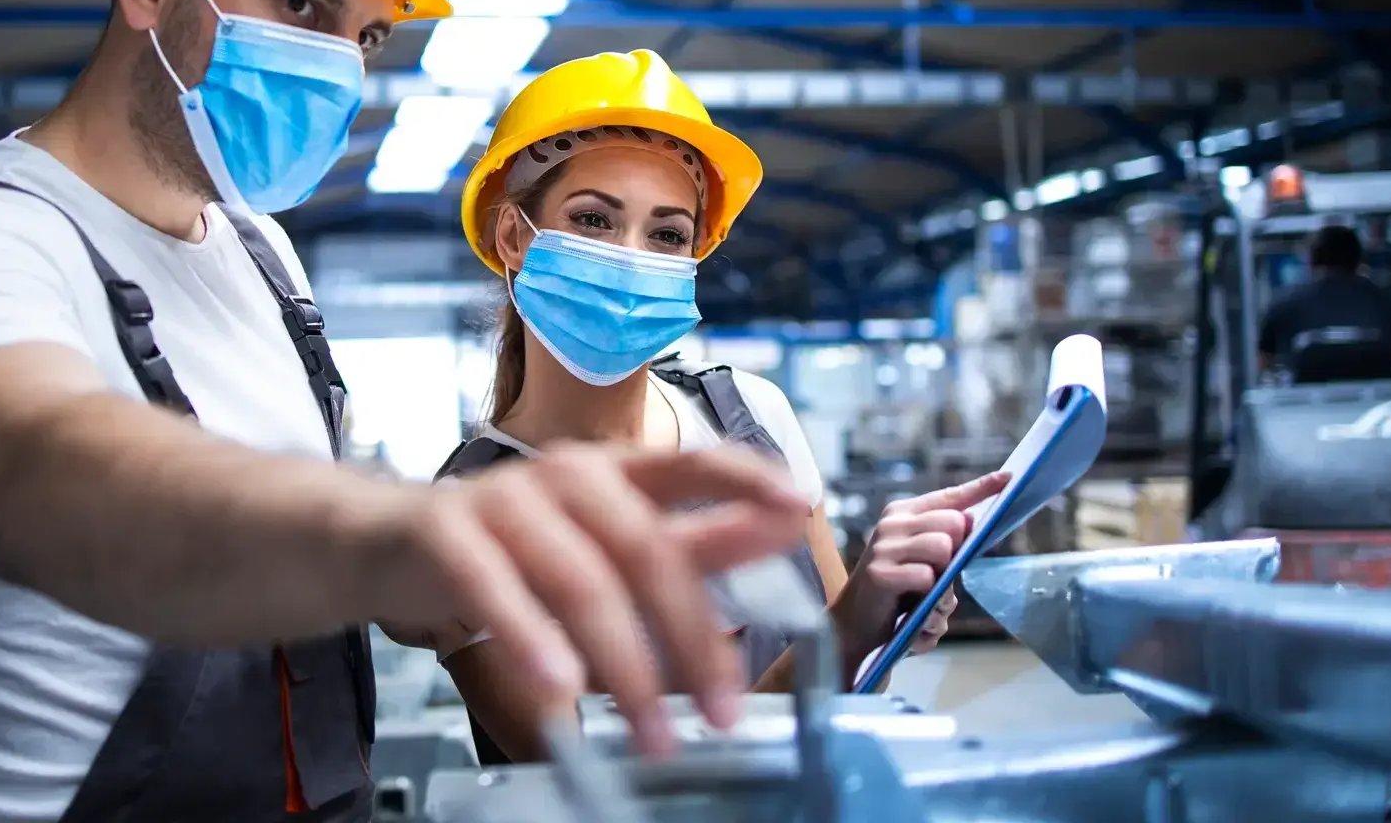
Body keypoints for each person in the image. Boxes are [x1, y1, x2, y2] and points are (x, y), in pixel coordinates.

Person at [0, 0, 818, 823]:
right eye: (300, 5)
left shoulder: (262, 260)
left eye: (364, 35)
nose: (338, 68)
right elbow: (51, 475)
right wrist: (398, 539)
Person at [432, 50, 1009, 763]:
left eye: (667, 234)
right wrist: (847, 630)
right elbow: (622, 788)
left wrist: (889, 614)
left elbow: (850, 684)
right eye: (593, 221)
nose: (632, 258)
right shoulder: (469, 517)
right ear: (515, 237)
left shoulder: (752, 415)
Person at [1258, 223, 1391, 383]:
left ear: (1312, 261)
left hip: (1302, 403)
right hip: (1376, 403)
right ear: (1358, 260)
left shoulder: (1285, 302)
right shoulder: (1386, 300)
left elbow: (1264, 361)